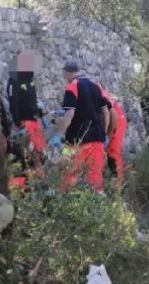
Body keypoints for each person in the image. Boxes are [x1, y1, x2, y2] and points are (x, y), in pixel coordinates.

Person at [47, 61, 112, 193]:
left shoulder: (72, 87)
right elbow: (105, 112)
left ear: (67, 73)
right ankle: (99, 202)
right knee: (95, 176)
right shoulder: (96, 86)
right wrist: (104, 133)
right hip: (97, 140)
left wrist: (59, 134)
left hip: (75, 141)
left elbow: (69, 114)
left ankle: (65, 199)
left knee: (68, 172)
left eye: (64, 74)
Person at [6, 52, 47, 165]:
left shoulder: (30, 80)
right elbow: (13, 103)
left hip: (34, 122)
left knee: (40, 154)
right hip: (24, 123)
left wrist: (38, 112)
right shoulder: (14, 81)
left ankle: (39, 174)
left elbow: (31, 100)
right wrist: (18, 122)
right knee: (28, 156)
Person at [95, 84, 127, 182]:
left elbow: (112, 115)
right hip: (109, 121)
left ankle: (118, 183)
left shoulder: (100, 96)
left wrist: (107, 135)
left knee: (113, 152)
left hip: (117, 121)